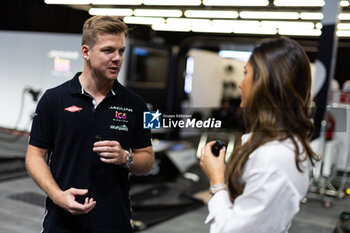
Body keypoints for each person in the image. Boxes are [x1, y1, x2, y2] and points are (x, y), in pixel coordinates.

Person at [25, 15, 154, 233]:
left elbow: (148, 161)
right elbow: (34, 156)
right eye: (108, 50)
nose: (117, 58)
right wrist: (57, 195)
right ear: (86, 52)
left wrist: (126, 157)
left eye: (121, 51)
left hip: (114, 222)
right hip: (62, 222)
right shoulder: (53, 99)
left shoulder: (137, 104)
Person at [200, 37, 318, 233]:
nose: (240, 84)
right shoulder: (272, 144)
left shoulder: (275, 156)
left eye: (246, 73)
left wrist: (216, 180)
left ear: (264, 83)